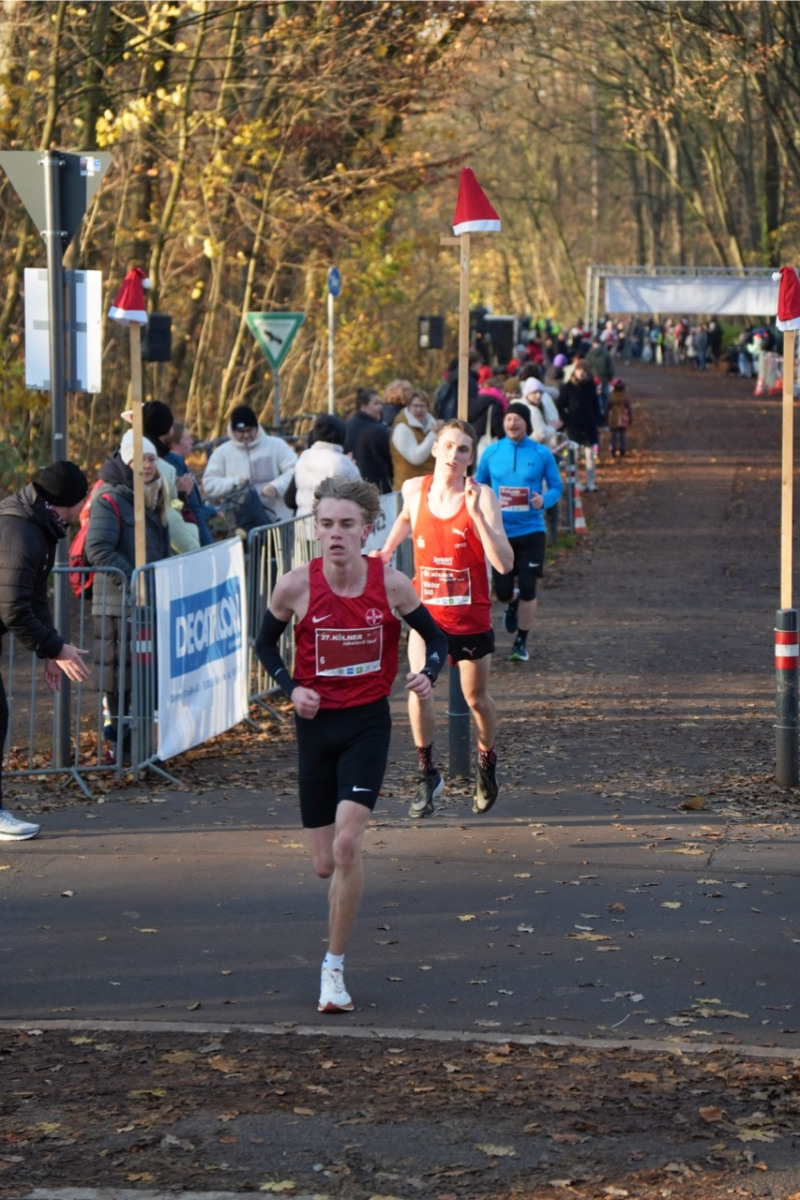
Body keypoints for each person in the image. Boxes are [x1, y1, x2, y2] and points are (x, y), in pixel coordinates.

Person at [255, 476, 447, 1014]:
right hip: (316, 729)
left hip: (367, 723)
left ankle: (333, 970)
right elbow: (264, 644)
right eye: (327, 524)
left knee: (346, 845)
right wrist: (291, 689)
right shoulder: (295, 586)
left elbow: (437, 637)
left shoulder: (392, 584)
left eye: (346, 524)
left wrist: (428, 673)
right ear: (315, 530)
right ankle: (334, 949)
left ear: (367, 529)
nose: (336, 534)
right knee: (323, 864)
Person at [376, 419, 514, 819]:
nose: (454, 455)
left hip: (470, 617)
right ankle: (427, 774)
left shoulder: (482, 496)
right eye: (449, 446)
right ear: (435, 448)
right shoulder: (413, 489)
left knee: (475, 700)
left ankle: (486, 761)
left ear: (472, 457)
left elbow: (504, 564)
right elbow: (407, 517)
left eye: (463, 449)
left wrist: (477, 518)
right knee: (419, 688)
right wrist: (387, 550)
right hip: (427, 617)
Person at [0, 461, 91, 839]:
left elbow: (34, 595)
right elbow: (12, 608)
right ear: (67, 502)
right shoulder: (22, 533)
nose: (84, 507)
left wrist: (50, 650)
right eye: (82, 499)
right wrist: (56, 648)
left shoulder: (37, 524)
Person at [85, 430, 171, 760]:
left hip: (147, 604)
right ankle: (120, 751)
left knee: (144, 676)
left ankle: (143, 748)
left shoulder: (156, 495)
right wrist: (135, 582)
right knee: (119, 681)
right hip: (117, 606)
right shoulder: (109, 498)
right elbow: (98, 548)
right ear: (126, 460)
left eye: (151, 459)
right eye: (140, 459)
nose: (147, 465)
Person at [475, 402, 563, 664]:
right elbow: (480, 486)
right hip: (500, 532)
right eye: (509, 419)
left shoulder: (541, 453)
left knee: (528, 586)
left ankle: (521, 641)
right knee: (502, 591)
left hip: (532, 530)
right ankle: (511, 603)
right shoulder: (491, 452)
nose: (512, 423)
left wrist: (543, 500)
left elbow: (557, 487)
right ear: (503, 423)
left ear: (527, 423)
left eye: (518, 419)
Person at [202, 404, 298, 522]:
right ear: (232, 430)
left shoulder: (276, 445)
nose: (246, 435)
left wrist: (277, 486)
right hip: (240, 522)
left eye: (250, 430)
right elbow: (209, 484)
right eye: (240, 432)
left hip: (277, 519)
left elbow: (295, 470)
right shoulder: (222, 453)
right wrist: (235, 482)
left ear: (256, 427)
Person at [293, 413, 361, 517]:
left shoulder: (304, 456)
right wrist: (352, 466)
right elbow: (360, 492)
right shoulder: (342, 461)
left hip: (303, 520)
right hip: (331, 520)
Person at [163, 420, 217, 546]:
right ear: (174, 444)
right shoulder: (175, 464)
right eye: (187, 439)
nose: (191, 442)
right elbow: (188, 507)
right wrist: (212, 511)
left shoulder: (178, 463)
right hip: (192, 528)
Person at [557, 358, 602, 491]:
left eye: (585, 371)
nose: (582, 373)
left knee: (590, 456)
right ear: (575, 371)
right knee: (574, 456)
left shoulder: (591, 386)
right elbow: (560, 405)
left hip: (589, 426)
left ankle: (591, 482)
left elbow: (596, 404)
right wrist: (567, 419)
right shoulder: (567, 387)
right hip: (574, 427)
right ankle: (575, 482)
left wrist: (597, 420)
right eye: (580, 370)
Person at [344, 387, 393, 494]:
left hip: (352, 487)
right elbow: (390, 461)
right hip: (377, 487)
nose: (380, 407)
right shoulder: (378, 430)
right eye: (376, 403)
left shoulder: (345, 426)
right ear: (363, 406)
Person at [389, 388, 438, 490]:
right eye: (415, 406)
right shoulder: (402, 428)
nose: (419, 410)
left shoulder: (431, 423)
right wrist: (433, 433)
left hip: (427, 486)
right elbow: (415, 458)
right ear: (408, 406)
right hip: (407, 489)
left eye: (422, 406)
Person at [606, 377, 632, 458]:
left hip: (613, 418)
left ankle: (613, 449)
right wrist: (630, 418)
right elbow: (629, 409)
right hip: (623, 418)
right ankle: (622, 449)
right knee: (622, 434)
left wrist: (606, 418)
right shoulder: (625, 398)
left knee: (613, 435)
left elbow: (607, 409)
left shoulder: (611, 397)